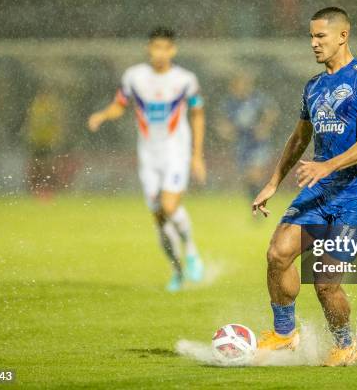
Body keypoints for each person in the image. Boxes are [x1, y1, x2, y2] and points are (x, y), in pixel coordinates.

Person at [251, 7, 357, 366]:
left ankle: (346, 344)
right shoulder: (313, 86)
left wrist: (327, 164)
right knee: (277, 253)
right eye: (311, 37)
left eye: (320, 37)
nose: (313, 44)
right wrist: (272, 182)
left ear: (342, 35)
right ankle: (284, 334)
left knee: (325, 282)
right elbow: (299, 138)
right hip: (320, 188)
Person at [88, 27, 207, 292]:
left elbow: (198, 114)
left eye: (165, 48)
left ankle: (191, 251)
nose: (160, 53)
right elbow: (120, 105)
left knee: (168, 205)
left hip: (176, 152)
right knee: (160, 219)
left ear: (172, 50)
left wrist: (197, 156)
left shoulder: (185, 79)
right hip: (148, 156)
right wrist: (102, 115)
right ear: (149, 49)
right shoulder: (135, 77)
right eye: (156, 47)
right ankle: (177, 271)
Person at [218, 71, 279, 199]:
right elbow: (223, 122)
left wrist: (264, 126)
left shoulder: (257, 98)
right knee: (248, 177)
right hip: (242, 142)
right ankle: (255, 199)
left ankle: (259, 200)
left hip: (258, 142)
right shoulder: (230, 102)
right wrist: (225, 131)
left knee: (255, 173)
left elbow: (272, 111)